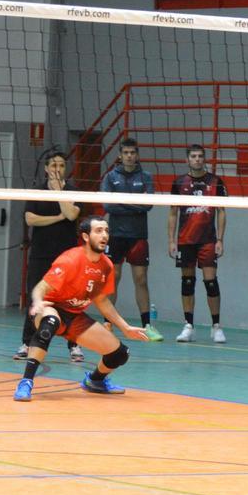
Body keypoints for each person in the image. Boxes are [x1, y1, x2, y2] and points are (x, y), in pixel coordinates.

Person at [14, 216, 150, 402]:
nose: (104, 235)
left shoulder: (106, 265)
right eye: (98, 231)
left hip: (75, 316)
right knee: (49, 324)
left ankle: (95, 380)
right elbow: (41, 287)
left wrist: (125, 327)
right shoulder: (70, 259)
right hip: (51, 308)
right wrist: (37, 301)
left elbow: (102, 301)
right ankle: (26, 382)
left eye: (106, 231)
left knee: (120, 354)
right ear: (86, 236)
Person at [17, 150, 83, 362]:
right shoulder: (37, 191)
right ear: (46, 168)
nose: (57, 169)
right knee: (35, 298)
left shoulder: (73, 191)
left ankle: (74, 345)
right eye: (53, 165)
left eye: (61, 165)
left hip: (67, 257)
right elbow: (30, 219)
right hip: (41, 254)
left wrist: (58, 191)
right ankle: (27, 343)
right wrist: (58, 217)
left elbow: (71, 214)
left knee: (71, 301)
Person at [99, 138, 162, 342]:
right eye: (125, 152)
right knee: (113, 278)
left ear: (137, 155)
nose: (129, 156)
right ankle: (107, 324)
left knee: (141, 279)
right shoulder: (110, 177)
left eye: (132, 152)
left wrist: (121, 202)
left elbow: (148, 205)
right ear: (120, 155)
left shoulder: (146, 177)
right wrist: (135, 205)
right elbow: (107, 206)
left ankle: (147, 326)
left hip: (138, 236)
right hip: (116, 235)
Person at [168, 144, 228, 344]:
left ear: (204, 159)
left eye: (200, 156)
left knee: (211, 282)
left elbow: (222, 212)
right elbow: (173, 213)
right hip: (185, 240)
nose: (197, 159)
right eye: (193, 156)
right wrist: (171, 240)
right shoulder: (179, 182)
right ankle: (188, 326)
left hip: (208, 240)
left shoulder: (215, 181)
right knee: (187, 282)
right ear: (187, 160)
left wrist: (220, 239)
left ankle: (216, 326)